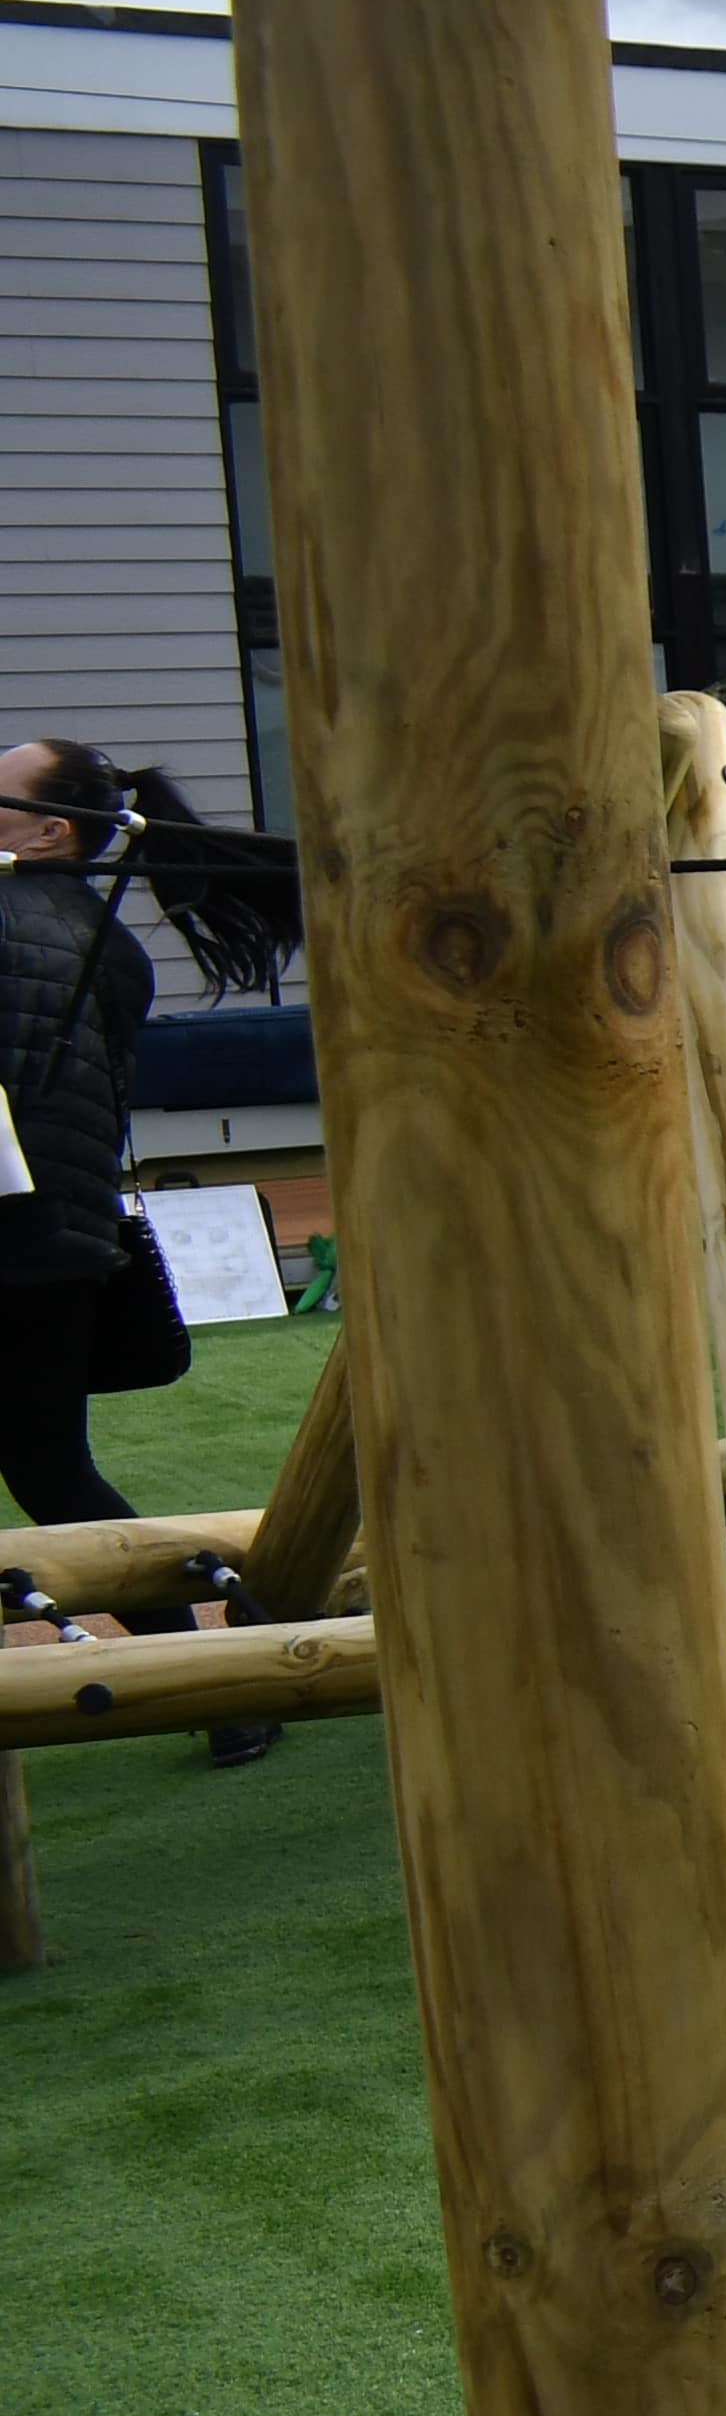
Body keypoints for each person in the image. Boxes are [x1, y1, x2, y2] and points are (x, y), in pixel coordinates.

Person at [0, 736, 303, 1762]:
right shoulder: (101, 937)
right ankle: (214, 1680)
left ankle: (217, 1676)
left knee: (56, 1474)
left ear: (50, 829)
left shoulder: (13, 918)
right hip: (58, 1242)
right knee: (54, 1472)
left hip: (18, 1242)